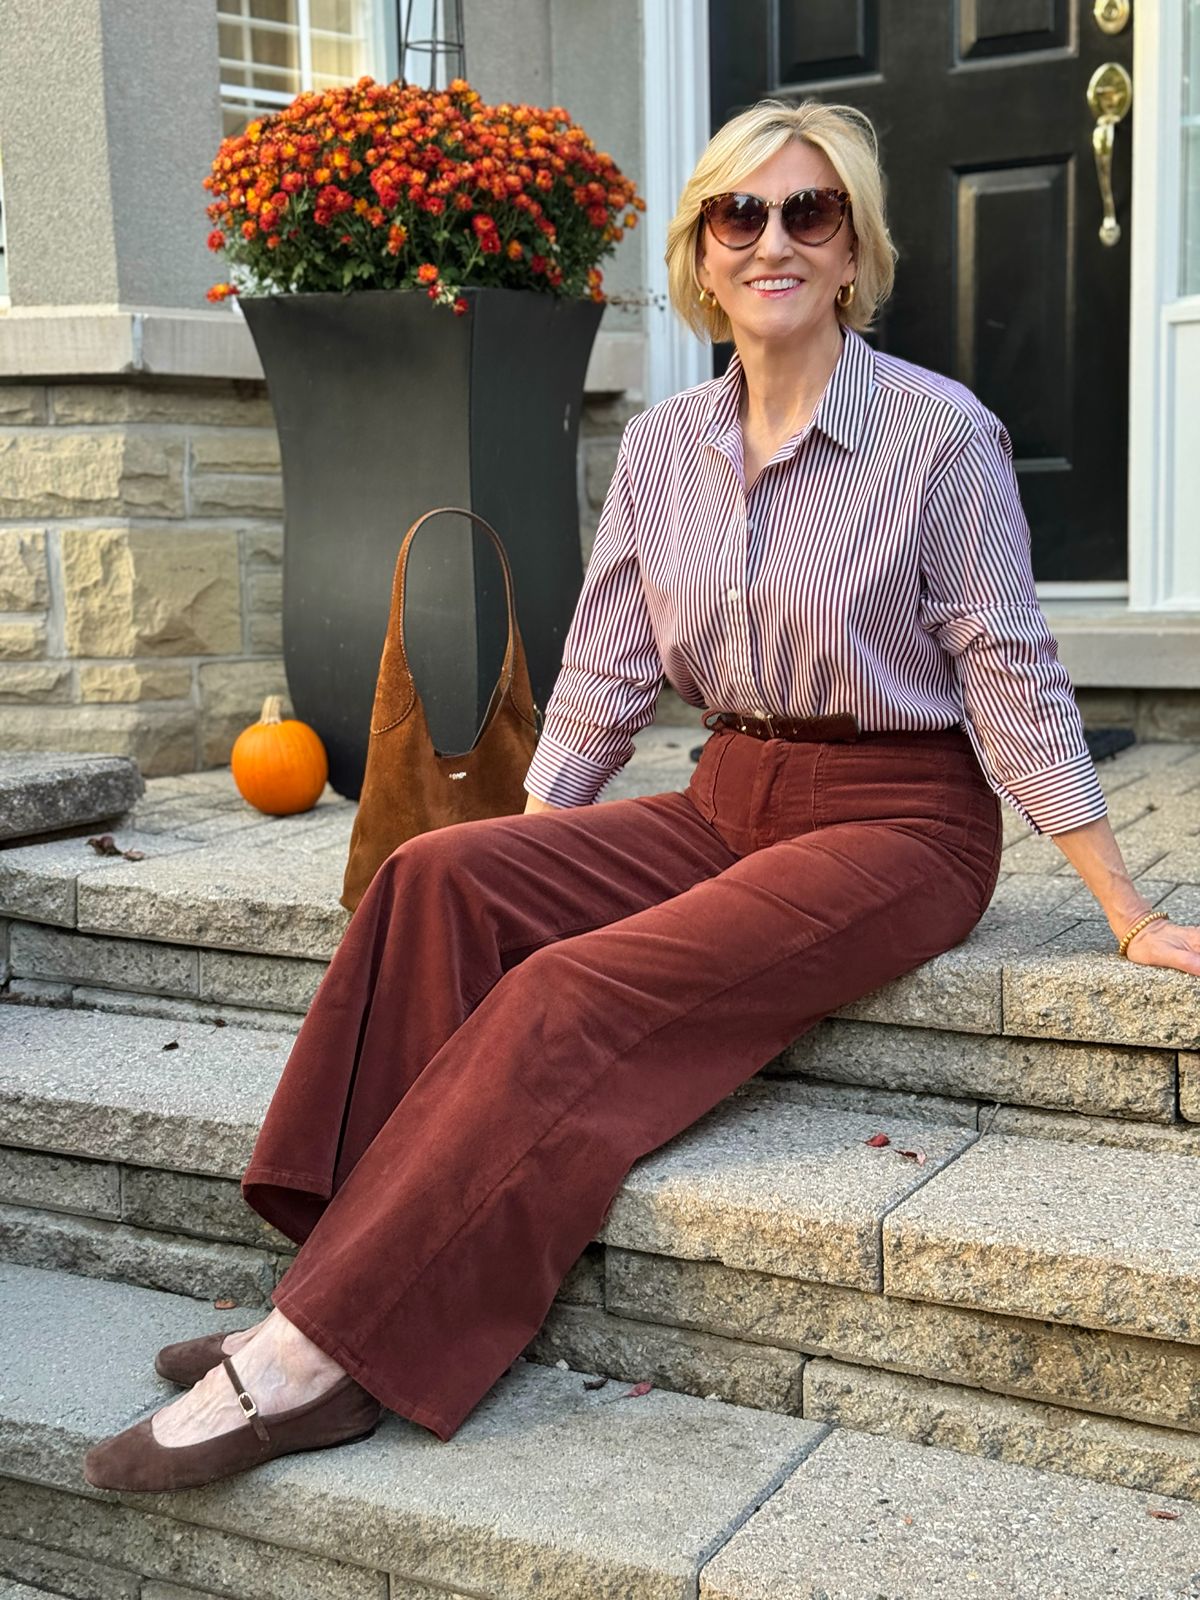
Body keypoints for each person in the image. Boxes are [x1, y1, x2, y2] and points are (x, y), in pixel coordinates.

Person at [84, 97, 1200, 1495]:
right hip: (727, 788)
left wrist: (1121, 904)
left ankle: (317, 1360)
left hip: (897, 823)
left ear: (856, 250)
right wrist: (528, 860)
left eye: (813, 213)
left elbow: (1010, 674)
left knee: (568, 994)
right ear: (702, 253)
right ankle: (337, 1273)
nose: (775, 240)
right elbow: (608, 671)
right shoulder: (666, 447)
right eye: (743, 214)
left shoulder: (940, 438)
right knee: (441, 877)